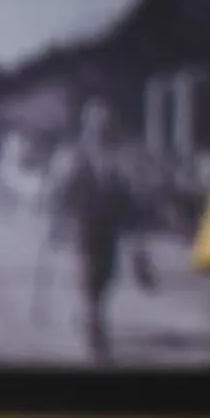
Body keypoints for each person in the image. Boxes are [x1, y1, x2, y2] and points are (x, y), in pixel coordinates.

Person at [48, 97, 148, 365]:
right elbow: (61, 189)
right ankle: (95, 329)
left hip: (110, 224)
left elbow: (127, 190)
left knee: (108, 275)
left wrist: (134, 222)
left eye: (105, 122)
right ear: (88, 124)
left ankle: (88, 313)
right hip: (85, 222)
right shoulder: (75, 152)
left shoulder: (117, 152)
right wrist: (57, 221)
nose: (102, 127)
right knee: (90, 274)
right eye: (96, 122)